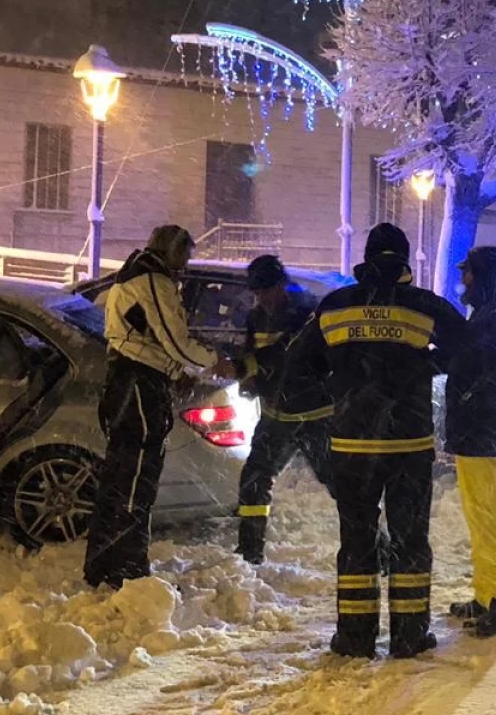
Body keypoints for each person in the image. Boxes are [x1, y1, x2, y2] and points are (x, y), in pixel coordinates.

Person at [286, 223, 468, 659]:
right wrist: (426, 366)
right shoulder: (424, 306)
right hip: (408, 444)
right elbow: (468, 348)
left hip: (352, 448)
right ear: (405, 261)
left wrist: (338, 398)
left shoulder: (335, 306)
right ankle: (409, 636)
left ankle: (355, 637)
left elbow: (296, 370)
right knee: (409, 541)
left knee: (357, 541)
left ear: (366, 258)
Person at [86, 224, 233, 589]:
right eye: (184, 255)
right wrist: (213, 360)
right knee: (136, 480)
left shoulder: (135, 275)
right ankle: (125, 569)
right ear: (171, 250)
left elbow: (151, 338)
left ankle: (106, 564)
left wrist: (175, 371)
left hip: (128, 383)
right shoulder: (152, 281)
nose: (186, 263)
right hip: (137, 386)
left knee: (121, 477)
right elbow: (175, 340)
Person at [444, 246, 496, 638]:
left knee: (494, 520)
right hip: (479, 433)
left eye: (470, 274)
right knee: (481, 518)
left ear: (485, 276)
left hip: (490, 434)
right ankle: (487, 594)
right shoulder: (491, 312)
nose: (465, 281)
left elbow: (472, 362)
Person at [232, 254, 335, 564]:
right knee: (254, 479)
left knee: (339, 482)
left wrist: (247, 365)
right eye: (256, 293)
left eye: (264, 291)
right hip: (276, 414)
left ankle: (376, 549)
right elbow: (256, 354)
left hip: (314, 416)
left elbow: (284, 354)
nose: (260, 299)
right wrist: (250, 380)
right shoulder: (256, 318)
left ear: (280, 285)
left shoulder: (306, 314)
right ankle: (250, 551)